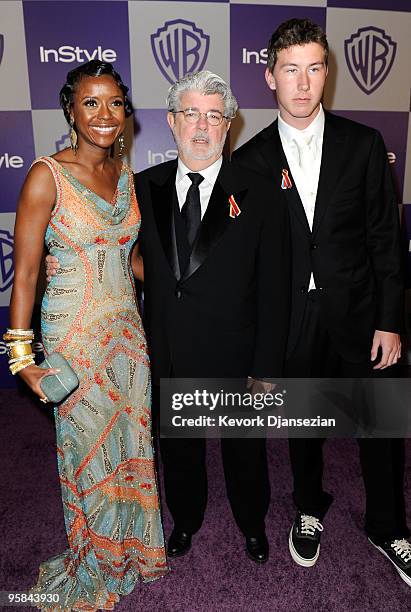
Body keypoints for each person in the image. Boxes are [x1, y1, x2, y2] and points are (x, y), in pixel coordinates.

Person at [233, 18, 411, 587]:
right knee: (302, 426)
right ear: (269, 78)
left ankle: (388, 525)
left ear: (326, 74)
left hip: (360, 315)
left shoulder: (363, 145)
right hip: (291, 323)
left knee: (380, 426)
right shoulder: (250, 160)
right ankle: (309, 506)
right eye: (291, 70)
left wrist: (390, 320)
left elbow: (386, 239)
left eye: (314, 68)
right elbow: (249, 265)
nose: (304, 83)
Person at [7, 60, 167, 610]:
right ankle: (93, 559)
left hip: (128, 332)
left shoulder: (126, 176)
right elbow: (25, 273)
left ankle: (129, 552)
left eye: (115, 103)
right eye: (91, 103)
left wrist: (196, 278)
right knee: (87, 453)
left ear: (127, 113)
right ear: (71, 111)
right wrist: (22, 358)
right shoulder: (44, 176)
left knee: (131, 445)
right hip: (74, 336)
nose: (105, 115)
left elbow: (133, 260)